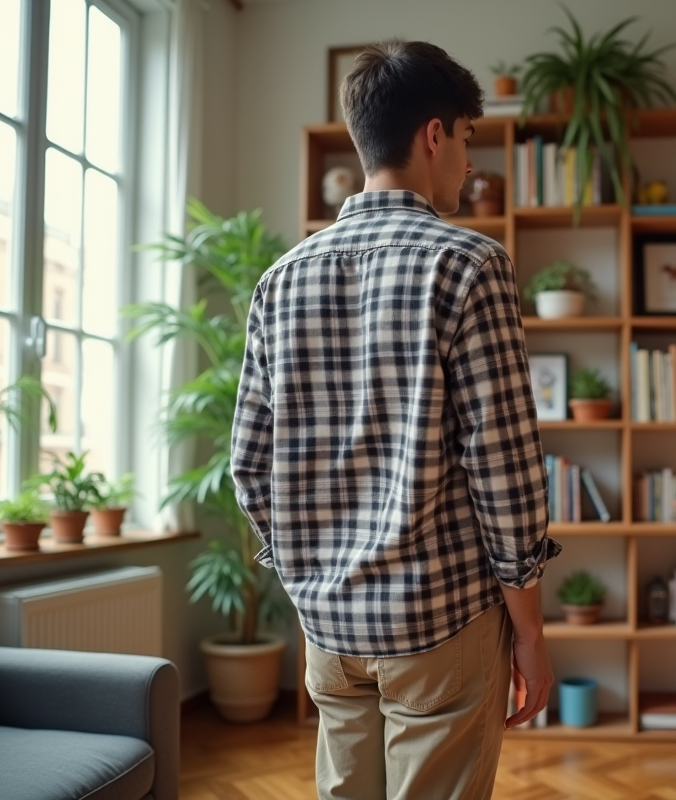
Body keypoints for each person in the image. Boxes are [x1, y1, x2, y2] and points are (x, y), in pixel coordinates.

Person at [229, 39, 561, 800]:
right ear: (434, 135)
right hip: (440, 626)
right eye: (469, 138)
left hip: (329, 632)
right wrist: (533, 636)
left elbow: (248, 467)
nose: (470, 164)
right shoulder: (470, 264)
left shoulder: (280, 281)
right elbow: (505, 473)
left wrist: (311, 576)